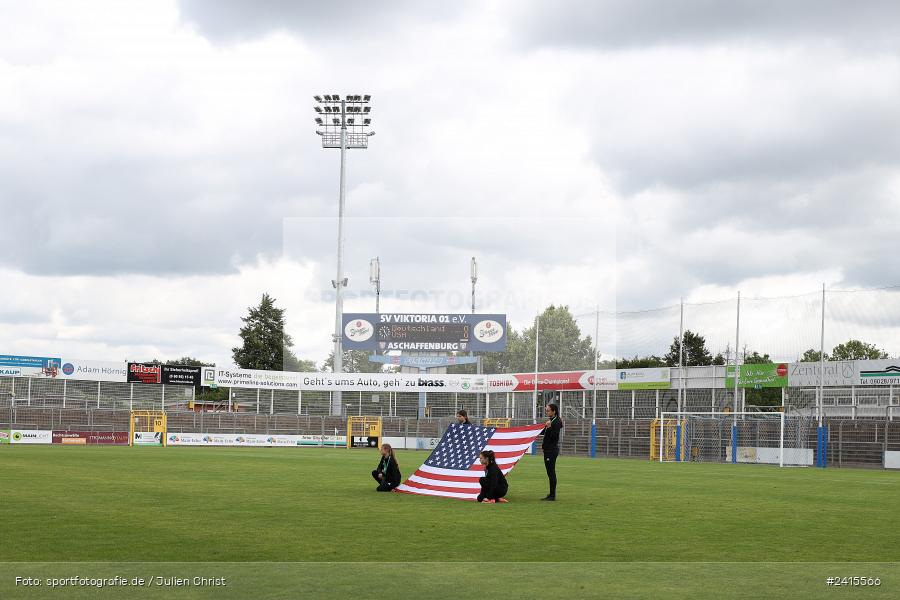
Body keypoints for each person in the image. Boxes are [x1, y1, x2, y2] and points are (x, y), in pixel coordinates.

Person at [541, 403, 563, 501]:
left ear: (554, 411)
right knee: (550, 473)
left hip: (551, 450)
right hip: (547, 450)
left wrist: (549, 427)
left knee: (551, 472)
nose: (547, 412)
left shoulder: (556, 422)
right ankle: (551, 494)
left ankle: (552, 495)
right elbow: (544, 432)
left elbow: (554, 437)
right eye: (546, 410)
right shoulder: (551, 420)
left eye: (548, 410)